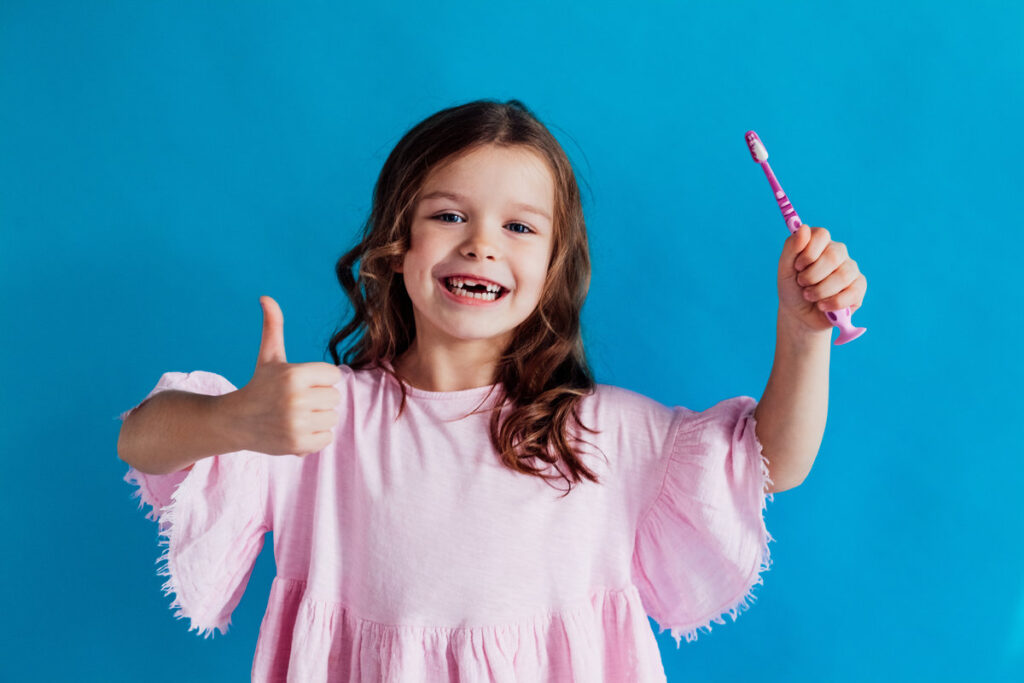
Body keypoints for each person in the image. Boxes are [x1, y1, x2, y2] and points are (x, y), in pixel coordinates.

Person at [116, 98, 867, 682]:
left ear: (552, 268)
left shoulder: (602, 432)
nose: (481, 243)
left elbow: (774, 461)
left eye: (519, 226)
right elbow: (141, 438)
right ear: (397, 242)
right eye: (449, 215)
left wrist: (801, 332)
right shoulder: (315, 420)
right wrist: (236, 420)